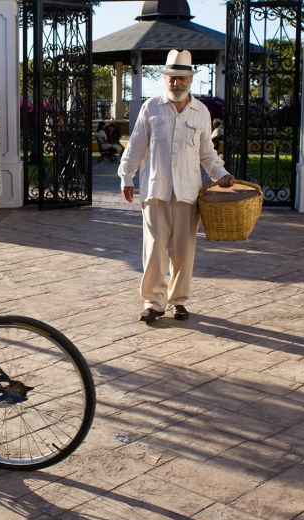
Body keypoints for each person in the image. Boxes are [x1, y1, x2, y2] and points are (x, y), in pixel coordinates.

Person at [119, 50, 234, 323]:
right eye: (172, 78)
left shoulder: (200, 112)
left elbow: (207, 152)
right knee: (155, 250)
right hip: (155, 191)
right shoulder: (151, 107)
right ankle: (154, 303)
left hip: (188, 194)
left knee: (184, 252)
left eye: (181, 78)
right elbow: (136, 145)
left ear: (190, 80)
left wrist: (221, 174)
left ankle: (178, 301)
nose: (176, 83)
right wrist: (127, 176)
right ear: (165, 79)